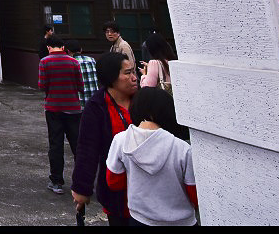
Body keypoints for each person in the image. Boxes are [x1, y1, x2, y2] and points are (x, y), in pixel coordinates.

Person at [106, 87, 198, 226]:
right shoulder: (182, 148)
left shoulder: (121, 140)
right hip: (181, 221)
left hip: (140, 219)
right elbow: (195, 194)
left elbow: (114, 182)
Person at [71, 52, 139, 226]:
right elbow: (87, 149)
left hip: (148, 189)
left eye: (133, 72)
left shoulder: (143, 100)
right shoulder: (96, 107)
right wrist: (81, 188)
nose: (134, 77)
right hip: (116, 190)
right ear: (111, 78)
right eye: (127, 73)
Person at [38, 36, 83, 194]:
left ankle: (56, 181)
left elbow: (42, 85)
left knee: (56, 145)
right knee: (77, 145)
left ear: (49, 47)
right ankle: (83, 180)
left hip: (53, 108)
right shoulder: (74, 62)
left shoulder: (45, 62)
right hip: (73, 107)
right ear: (63, 47)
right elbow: (80, 85)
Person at [66, 39, 99, 110]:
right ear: (81, 50)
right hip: (94, 102)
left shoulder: (70, 63)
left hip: (79, 104)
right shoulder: (92, 60)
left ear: (68, 51)